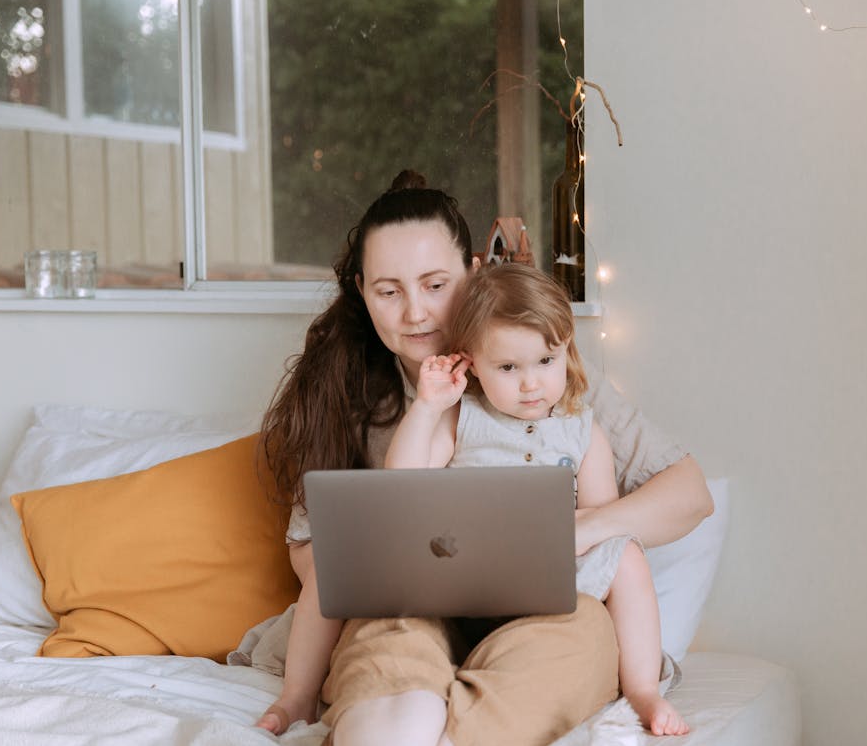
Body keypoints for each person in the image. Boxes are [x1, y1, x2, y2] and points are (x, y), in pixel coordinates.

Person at [255, 170, 713, 745]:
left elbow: (691, 494)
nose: (415, 313)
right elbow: (311, 551)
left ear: (472, 275)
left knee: (577, 636)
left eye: (435, 285)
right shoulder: (343, 391)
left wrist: (584, 528)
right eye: (388, 291)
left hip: (545, 605)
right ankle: (390, 725)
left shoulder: (547, 375)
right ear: (361, 290)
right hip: (408, 602)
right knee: (390, 646)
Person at [384, 262, 690, 736]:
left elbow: (600, 516)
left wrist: (564, 537)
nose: (531, 383)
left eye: (545, 362)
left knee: (626, 554)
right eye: (508, 368)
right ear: (472, 365)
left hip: (552, 579)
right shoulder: (460, 419)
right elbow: (400, 484)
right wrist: (426, 407)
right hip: (471, 575)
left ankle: (644, 688)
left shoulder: (582, 430)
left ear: (565, 350)